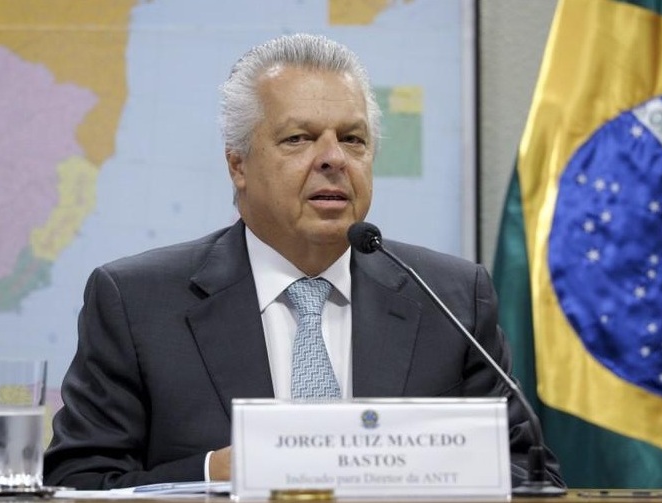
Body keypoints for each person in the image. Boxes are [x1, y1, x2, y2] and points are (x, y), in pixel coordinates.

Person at [44, 33, 564, 490]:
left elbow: (530, 474)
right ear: (238, 165)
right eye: (299, 138)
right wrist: (212, 473)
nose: (333, 158)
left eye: (353, 139)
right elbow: (80, 480)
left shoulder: (451, 299)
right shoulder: (138, 302)